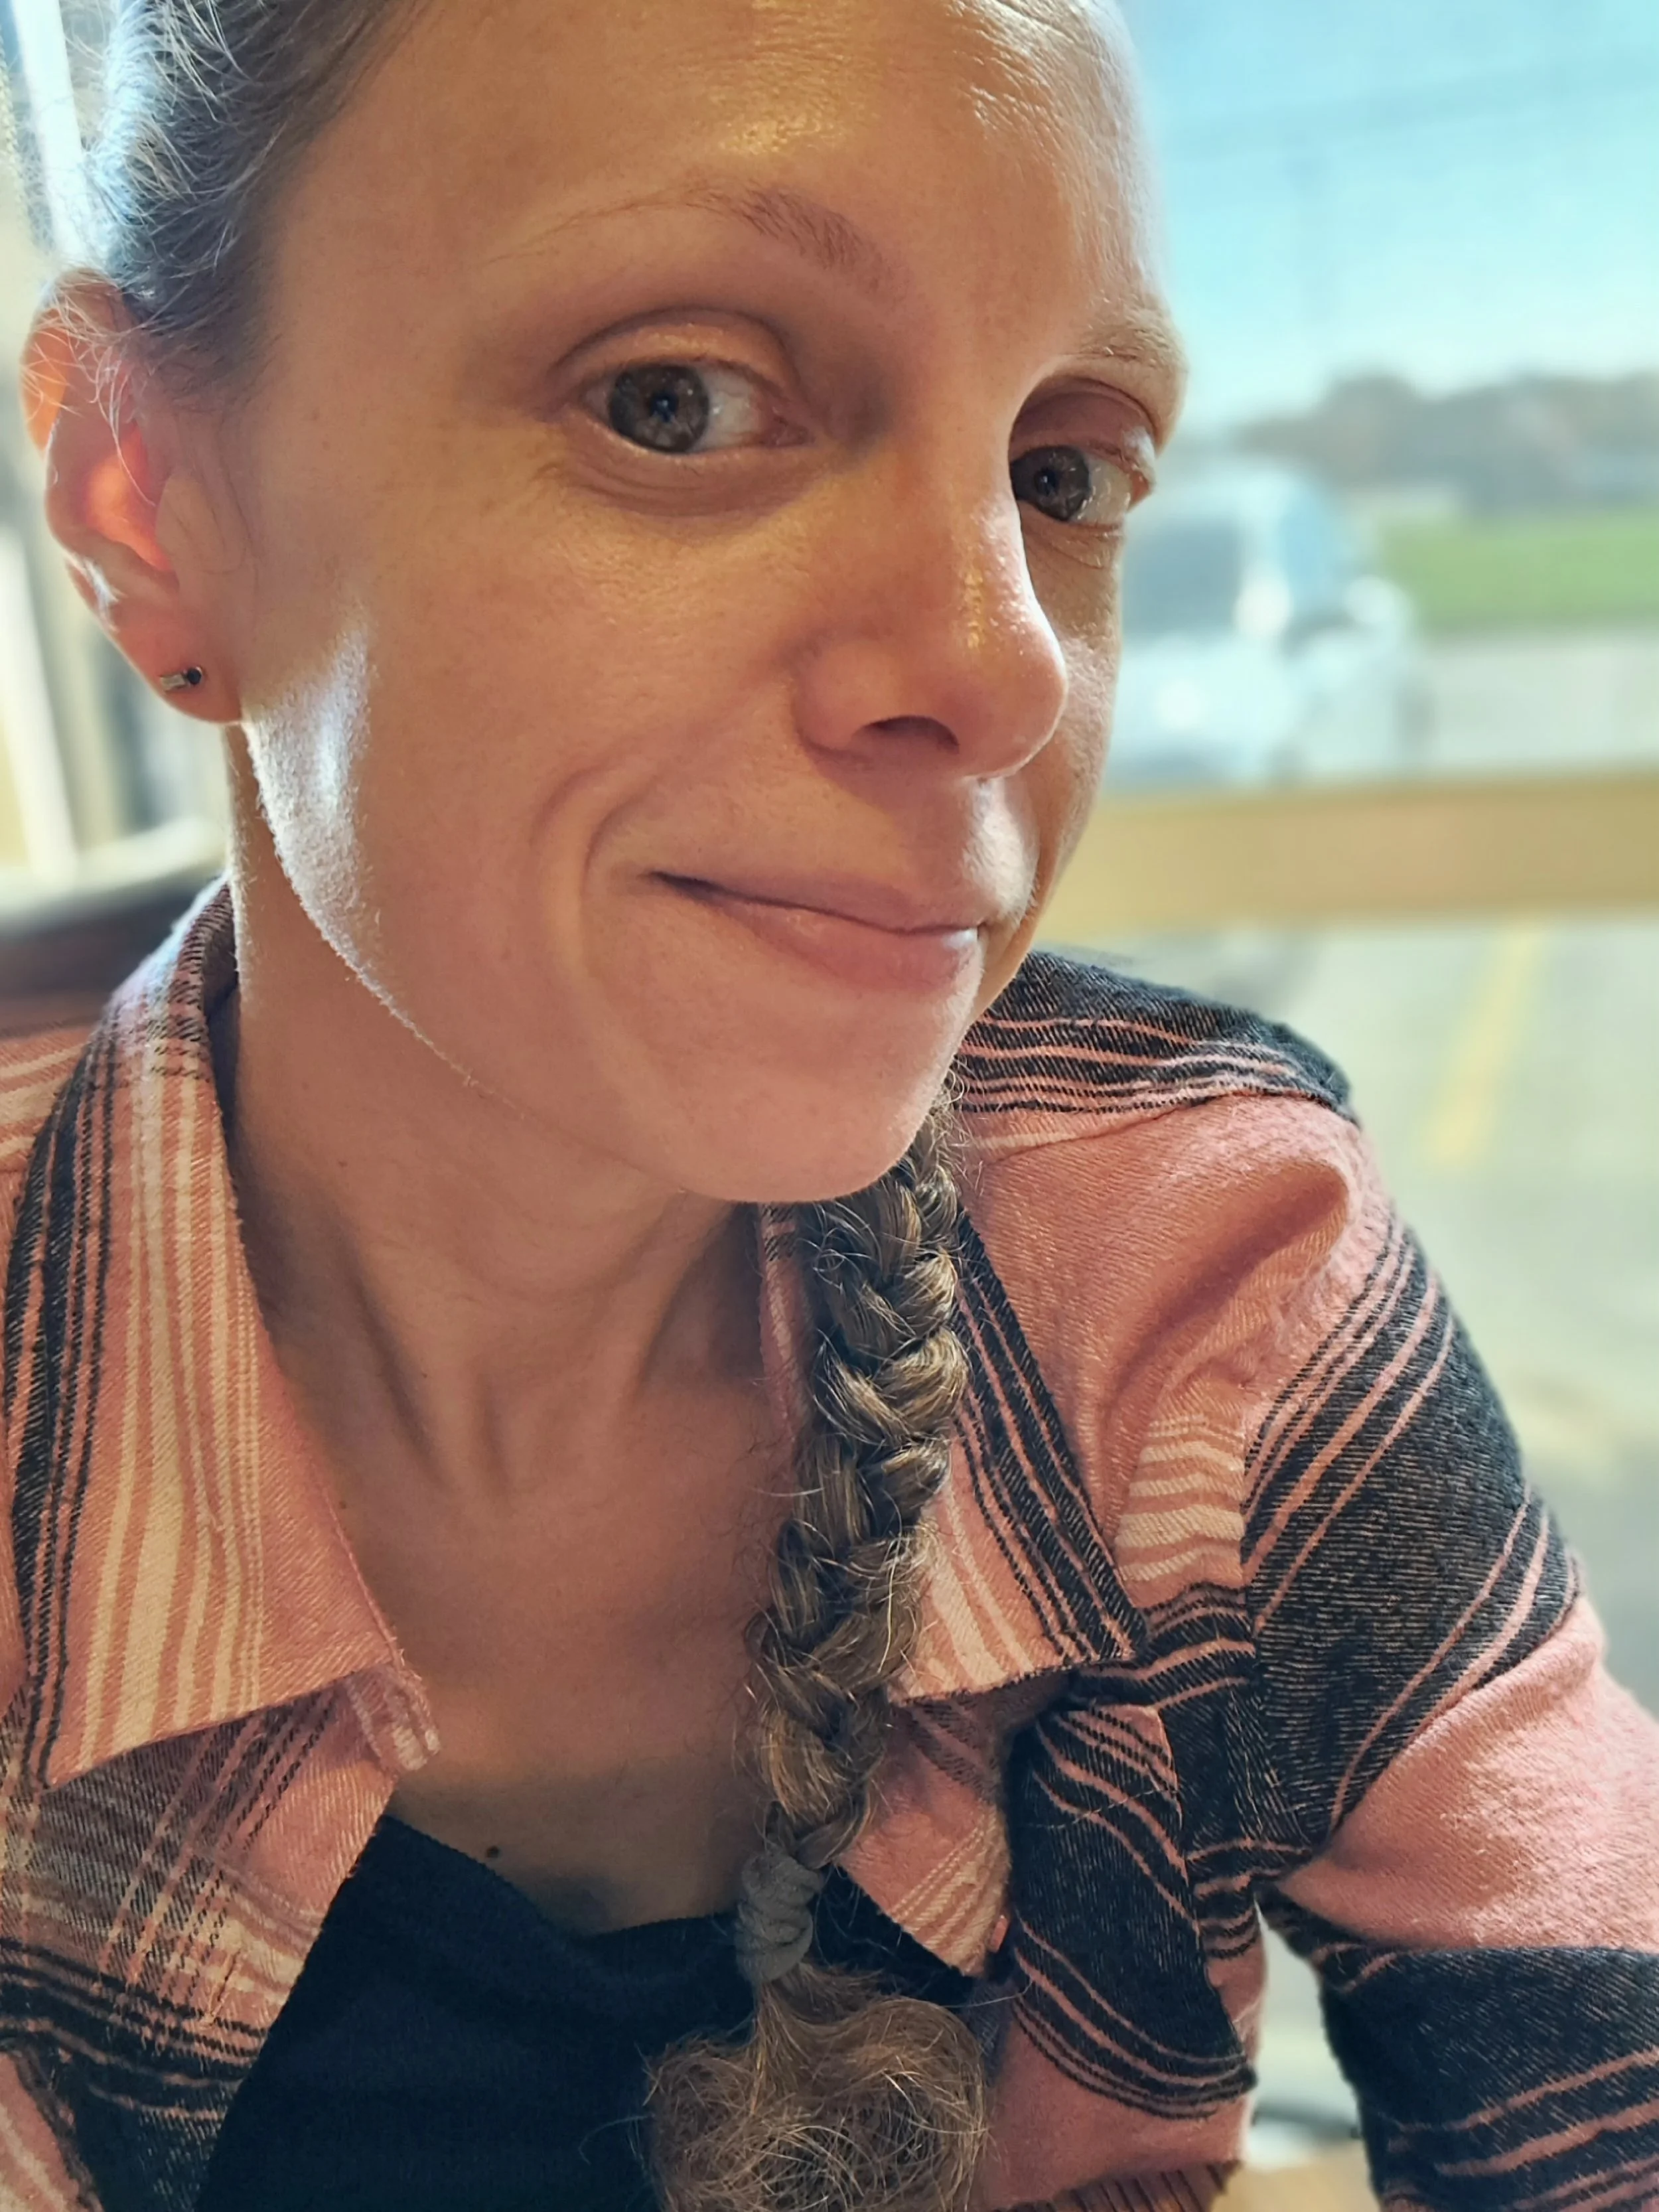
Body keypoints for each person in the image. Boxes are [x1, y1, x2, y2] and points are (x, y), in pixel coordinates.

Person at [3, 0, 1656, 2207]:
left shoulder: (1201, 1266)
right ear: (144, 492)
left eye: (1061, 475)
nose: (1003, 665)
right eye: (675, 402)